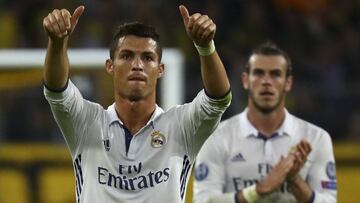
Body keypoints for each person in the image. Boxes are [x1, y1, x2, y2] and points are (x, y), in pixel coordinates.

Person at [42, 4, 231, 203]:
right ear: (110, 66)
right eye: (127, 56)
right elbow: (57, 90)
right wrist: (57, 42)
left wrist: (205, 47)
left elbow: (218, 99)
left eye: (147, 58)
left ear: (160, 70)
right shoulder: (87, 122)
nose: (137, 65)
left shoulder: (180, 126)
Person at [193, 42, 337, 203]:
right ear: (246, 80)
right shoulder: (216, 137)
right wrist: (259, 190)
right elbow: (203, 200)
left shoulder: (316, 138)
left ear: (288, 83)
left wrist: (294, 180)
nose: (266, 81)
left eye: (275, 74)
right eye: (259, 73)